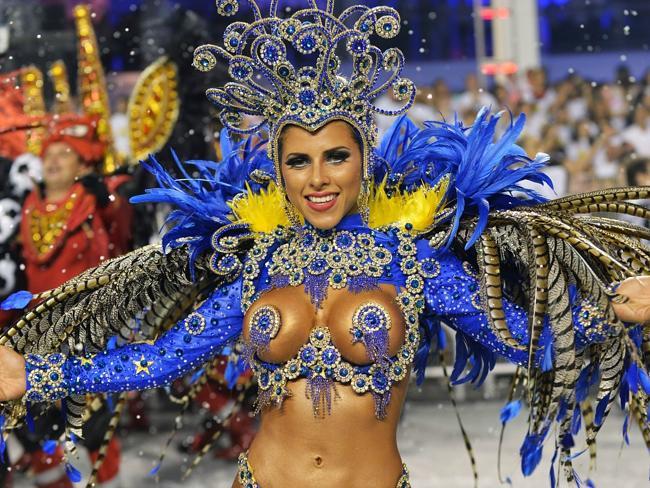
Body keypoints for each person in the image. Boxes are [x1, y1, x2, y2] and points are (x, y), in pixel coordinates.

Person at [0, 2, 649, 487]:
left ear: (363, 161)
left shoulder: (408, 260)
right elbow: (159, 359)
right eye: (298, 161)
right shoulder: (260, 263)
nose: (317, 178)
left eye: (335, 156)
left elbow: (522, 339)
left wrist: (611, 312)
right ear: (278, 171)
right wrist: (37, 373)